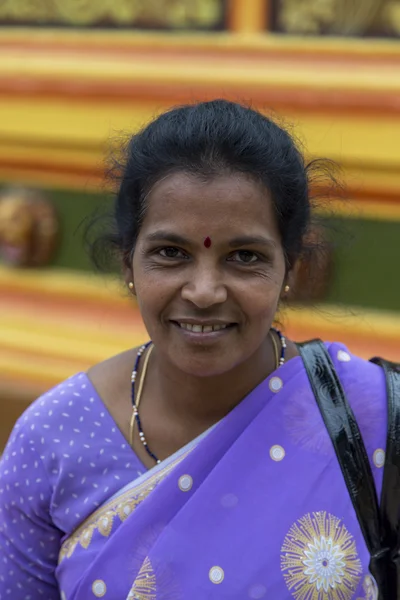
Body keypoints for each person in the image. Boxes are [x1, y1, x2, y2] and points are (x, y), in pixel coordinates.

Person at [0, 100, 388, 599]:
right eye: (171, 253)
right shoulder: (53, 442)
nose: (204, 292)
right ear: (127, 264)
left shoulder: (369, 419)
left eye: (244, 257)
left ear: (290, 270)